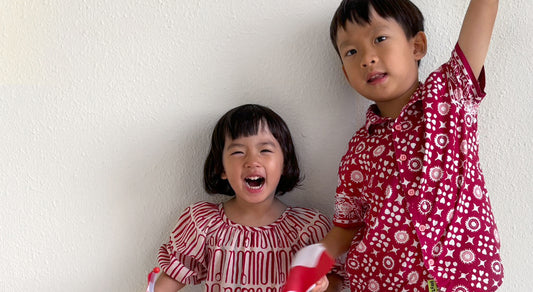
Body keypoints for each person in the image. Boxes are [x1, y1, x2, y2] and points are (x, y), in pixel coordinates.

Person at [288, 0, 503, 291]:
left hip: (463, 278)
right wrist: (316, 260)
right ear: (345, 73)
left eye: (380, 38)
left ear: (417, 46)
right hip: (381, 282)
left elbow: (483, 15)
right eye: (351, 51)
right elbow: (347, 225)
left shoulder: (449, 98)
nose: (367, 58)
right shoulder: (359, 149)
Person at [154, 104, 343, 292]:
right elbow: (173, 274)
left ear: (284, 163)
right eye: (238, 152)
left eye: (265, 150)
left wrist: (324, 285)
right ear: (221, 168)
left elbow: (336, 279)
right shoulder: (203, 224)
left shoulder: (309, 228)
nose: (252, 161)